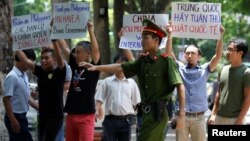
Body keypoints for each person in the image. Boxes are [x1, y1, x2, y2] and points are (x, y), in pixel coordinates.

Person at [81, 19, 185, 141]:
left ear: (156, 40)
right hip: (145, 114)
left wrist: (181, 114)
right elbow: (120, 66)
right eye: (142, 37)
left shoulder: (166, 61)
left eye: (145, 37)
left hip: (158, 114)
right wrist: (96, 67)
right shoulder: (142, 61)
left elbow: (180, 86)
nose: (142, 41)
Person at [165, 23, 225, 141]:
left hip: (199, 118)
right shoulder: (179, 68)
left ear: (199, 56)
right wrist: (169, 35)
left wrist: (220, 35)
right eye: (187, 53)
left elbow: (218, 55)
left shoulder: (205, 69)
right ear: (184, 55)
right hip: (181, 116)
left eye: (193, 53)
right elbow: (168, 55)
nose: (190, 55)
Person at [16, 40, 66, 141]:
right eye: (42, 58)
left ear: (54, 59)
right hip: (43, 114)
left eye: (47, 58)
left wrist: (55, 41)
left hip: (55, 116)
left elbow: (60, 58)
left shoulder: (59, 72)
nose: (43, 60)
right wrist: (16, 45)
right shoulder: (41, 72)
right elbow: (26, 61)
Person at [60, 20, 101, 141]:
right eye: (75, 52)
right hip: (71, 114)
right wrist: (55, 29)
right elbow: (64, 47)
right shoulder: (74, 65)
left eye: (78, 52)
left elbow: (96, 51)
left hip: (86, 116)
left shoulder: (94, 68)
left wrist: (91, 30)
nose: (76, 55)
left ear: (88, 53)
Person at [95, 54, 141, 141]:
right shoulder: (107, 82)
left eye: (122, 65)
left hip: (126, 121)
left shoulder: (132, 83)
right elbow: (99, 98)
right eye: (117, 65)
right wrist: (96, 110)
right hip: (110, 120)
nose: (119, 68)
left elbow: (136, 102)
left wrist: (137, 119)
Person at [208, 38, 250, 125]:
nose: (227, 52)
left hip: (235, 120)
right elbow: (218, 94)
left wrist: (239, 120)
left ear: (240, 53)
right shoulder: (223, 69)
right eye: (227, 49)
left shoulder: (246, 72)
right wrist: (213, 114)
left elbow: (248, 98)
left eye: (231, 50)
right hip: (219, 118)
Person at [3, 49, 39, 141]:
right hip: (15, 116)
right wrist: (12, 120)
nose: (30, 65)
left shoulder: (24, 75)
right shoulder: (12, 76)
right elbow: (6, 100)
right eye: (28, 61)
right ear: (21, 59)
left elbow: (28, 97)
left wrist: (40, 107)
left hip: (22, 116)